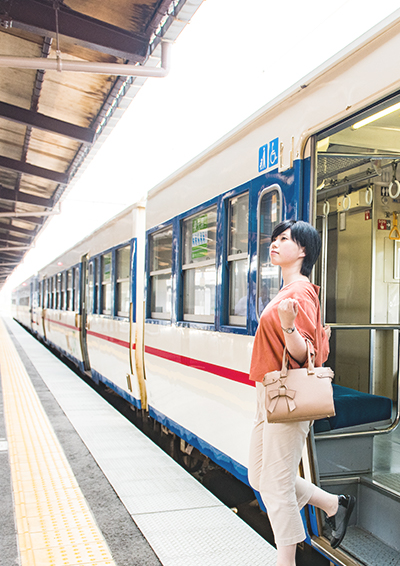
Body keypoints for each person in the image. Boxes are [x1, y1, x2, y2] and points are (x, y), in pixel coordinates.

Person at [248, 220, 355, 566]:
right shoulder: (286, 291)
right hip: (270, 393)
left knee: (276, 486)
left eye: (284, 239)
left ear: (303, 250)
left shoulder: (301, 293)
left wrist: (289, 325)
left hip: (290, 397)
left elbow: (301, 352)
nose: (275, 243)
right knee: (259, 477)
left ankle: (287, 561)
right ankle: (332, 503)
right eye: (275, 238)